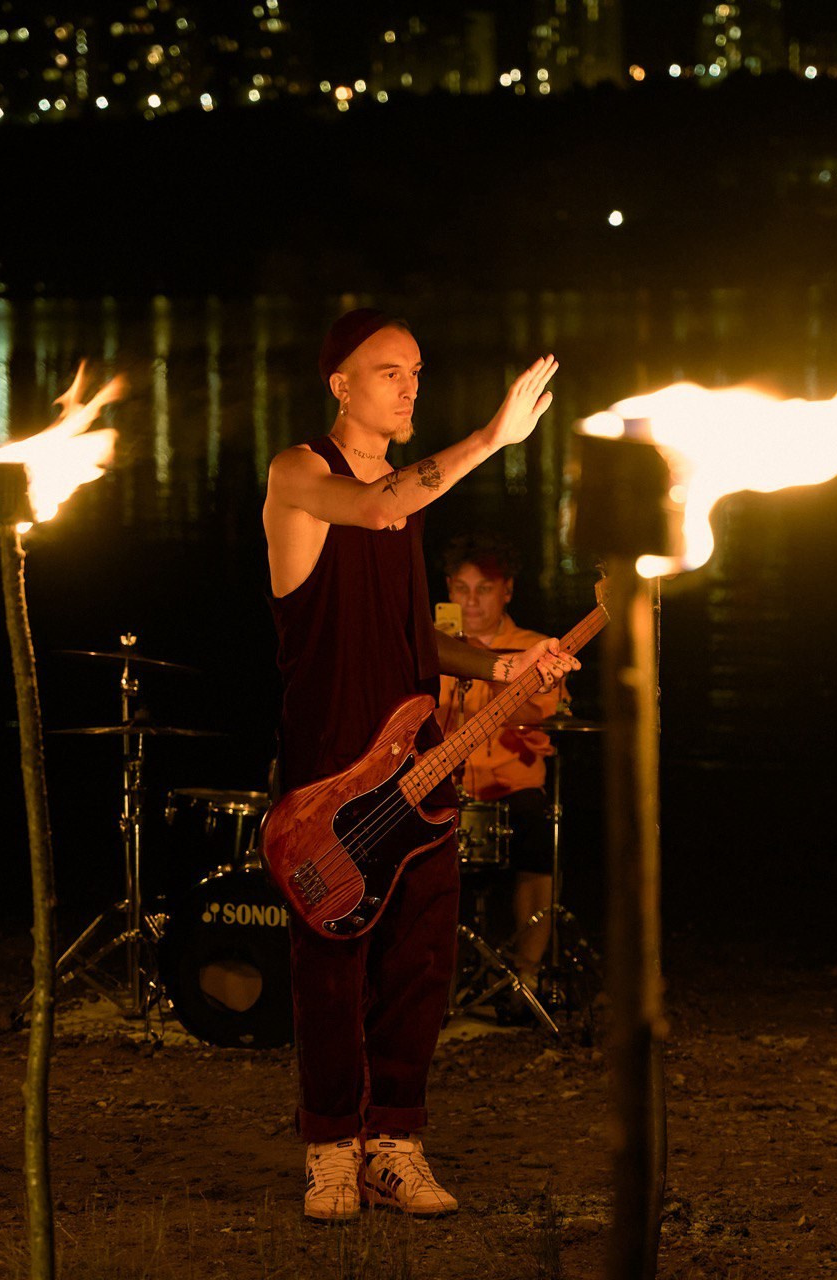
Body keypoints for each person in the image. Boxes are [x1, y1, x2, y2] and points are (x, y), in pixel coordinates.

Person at [263, 307, 579, 1224]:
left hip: (422, 761)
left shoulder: (405, 500)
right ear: (341, 384)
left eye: (415, 370)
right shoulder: (300, 474)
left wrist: (502, 664)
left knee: (420, 962)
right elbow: (381, 505)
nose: (408, 385)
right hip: (332, 766)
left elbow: (419, 643)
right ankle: (329, 1148)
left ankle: (395, 1145)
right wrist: (492, 437)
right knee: (331, 960)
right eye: (389, 371)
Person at [435, 534, 565, 996]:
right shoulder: (431, 646)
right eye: (462, 588)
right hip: (442, 785)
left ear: (507, 590)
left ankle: (524, 975)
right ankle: (430, 980)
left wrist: (481, 660)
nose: (471, 600)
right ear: (448, 588)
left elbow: (535, 713)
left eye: (484, 588)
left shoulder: (536, 648)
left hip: (511, 788)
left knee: (536, 835)